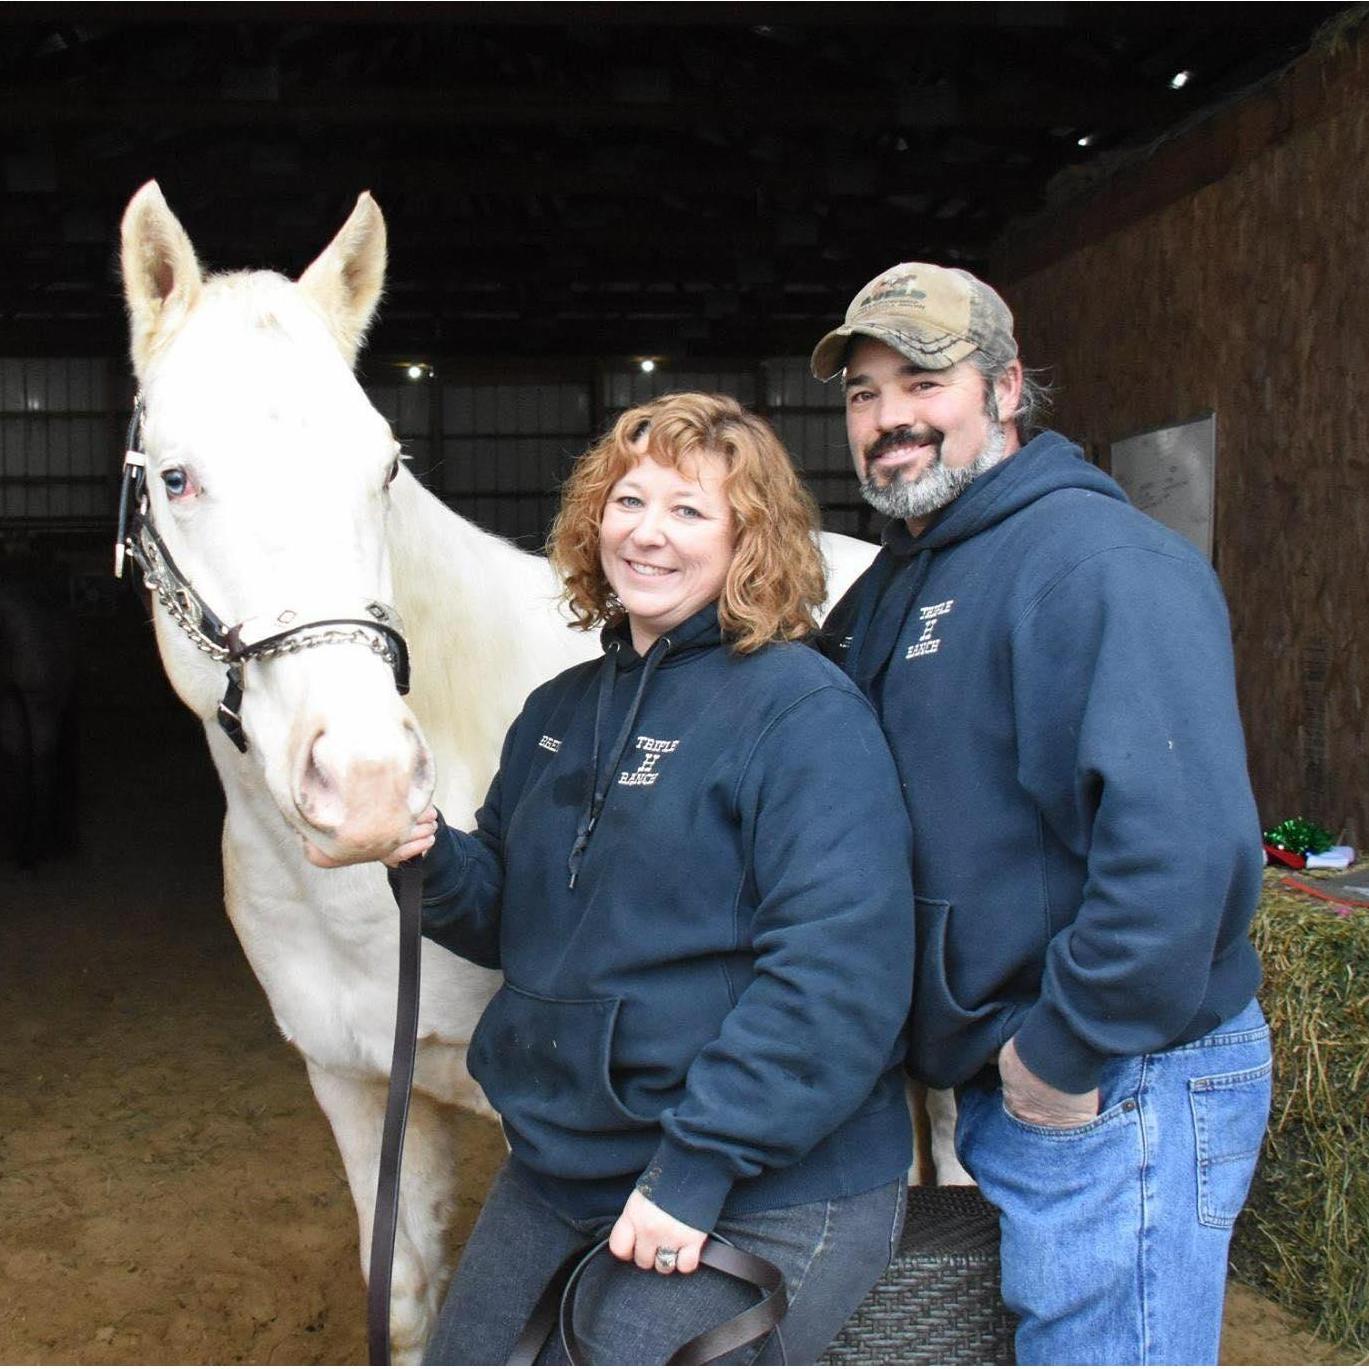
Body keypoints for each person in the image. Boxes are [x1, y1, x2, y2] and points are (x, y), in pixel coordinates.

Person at [378, 393, 915, 1364]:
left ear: (748, 540)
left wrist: (692, 1174)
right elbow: (508, 915)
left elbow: (837, 976)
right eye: (629, 501)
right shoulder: (558, 710)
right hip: (571, 1161)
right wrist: (416, 848)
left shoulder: (800, 712)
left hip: (765, 1178)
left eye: (688, 511)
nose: (647, 534)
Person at [810, 263, 1271, 1366]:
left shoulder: (1098, 565)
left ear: (1006, 387)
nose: (887, 420)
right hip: (1028, 1079)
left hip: (1120, 1078)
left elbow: (1183, 852)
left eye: (922, 382)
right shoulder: (897, 583)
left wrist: (1059, 1052)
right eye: (864, 393)